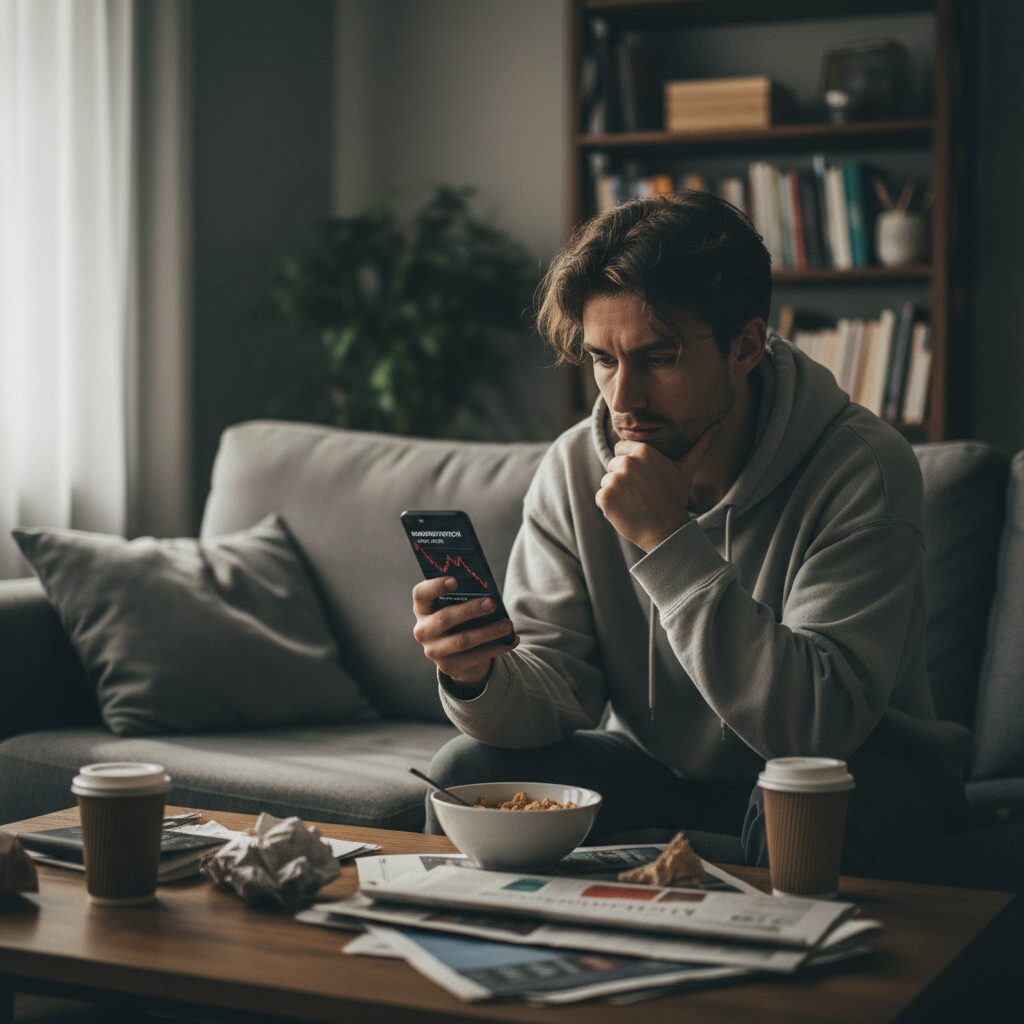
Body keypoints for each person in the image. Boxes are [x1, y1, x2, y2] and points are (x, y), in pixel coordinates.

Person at [410, 191, 972, 873]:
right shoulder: (574, 467)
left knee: (794, 801)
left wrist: (670, 541)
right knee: (466, 767)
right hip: (661, 769)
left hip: (864, 767)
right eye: (603, 360)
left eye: (658, 358)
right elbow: (558, 687)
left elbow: (812, 732)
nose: (623, 399)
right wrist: (475, 676)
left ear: (746, 345)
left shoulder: (862, 468)